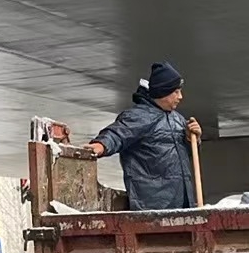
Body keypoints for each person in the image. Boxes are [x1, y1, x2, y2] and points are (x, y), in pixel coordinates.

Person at [85, 62, 202, 210]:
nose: (180, 97)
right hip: (153, 205)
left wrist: (191, 139)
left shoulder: (178, 119)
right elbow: (118, 134)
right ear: (163, 92)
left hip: (183, 203)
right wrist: (101, 145)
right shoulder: (138, 116)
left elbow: (186, 155)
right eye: (176, 92)